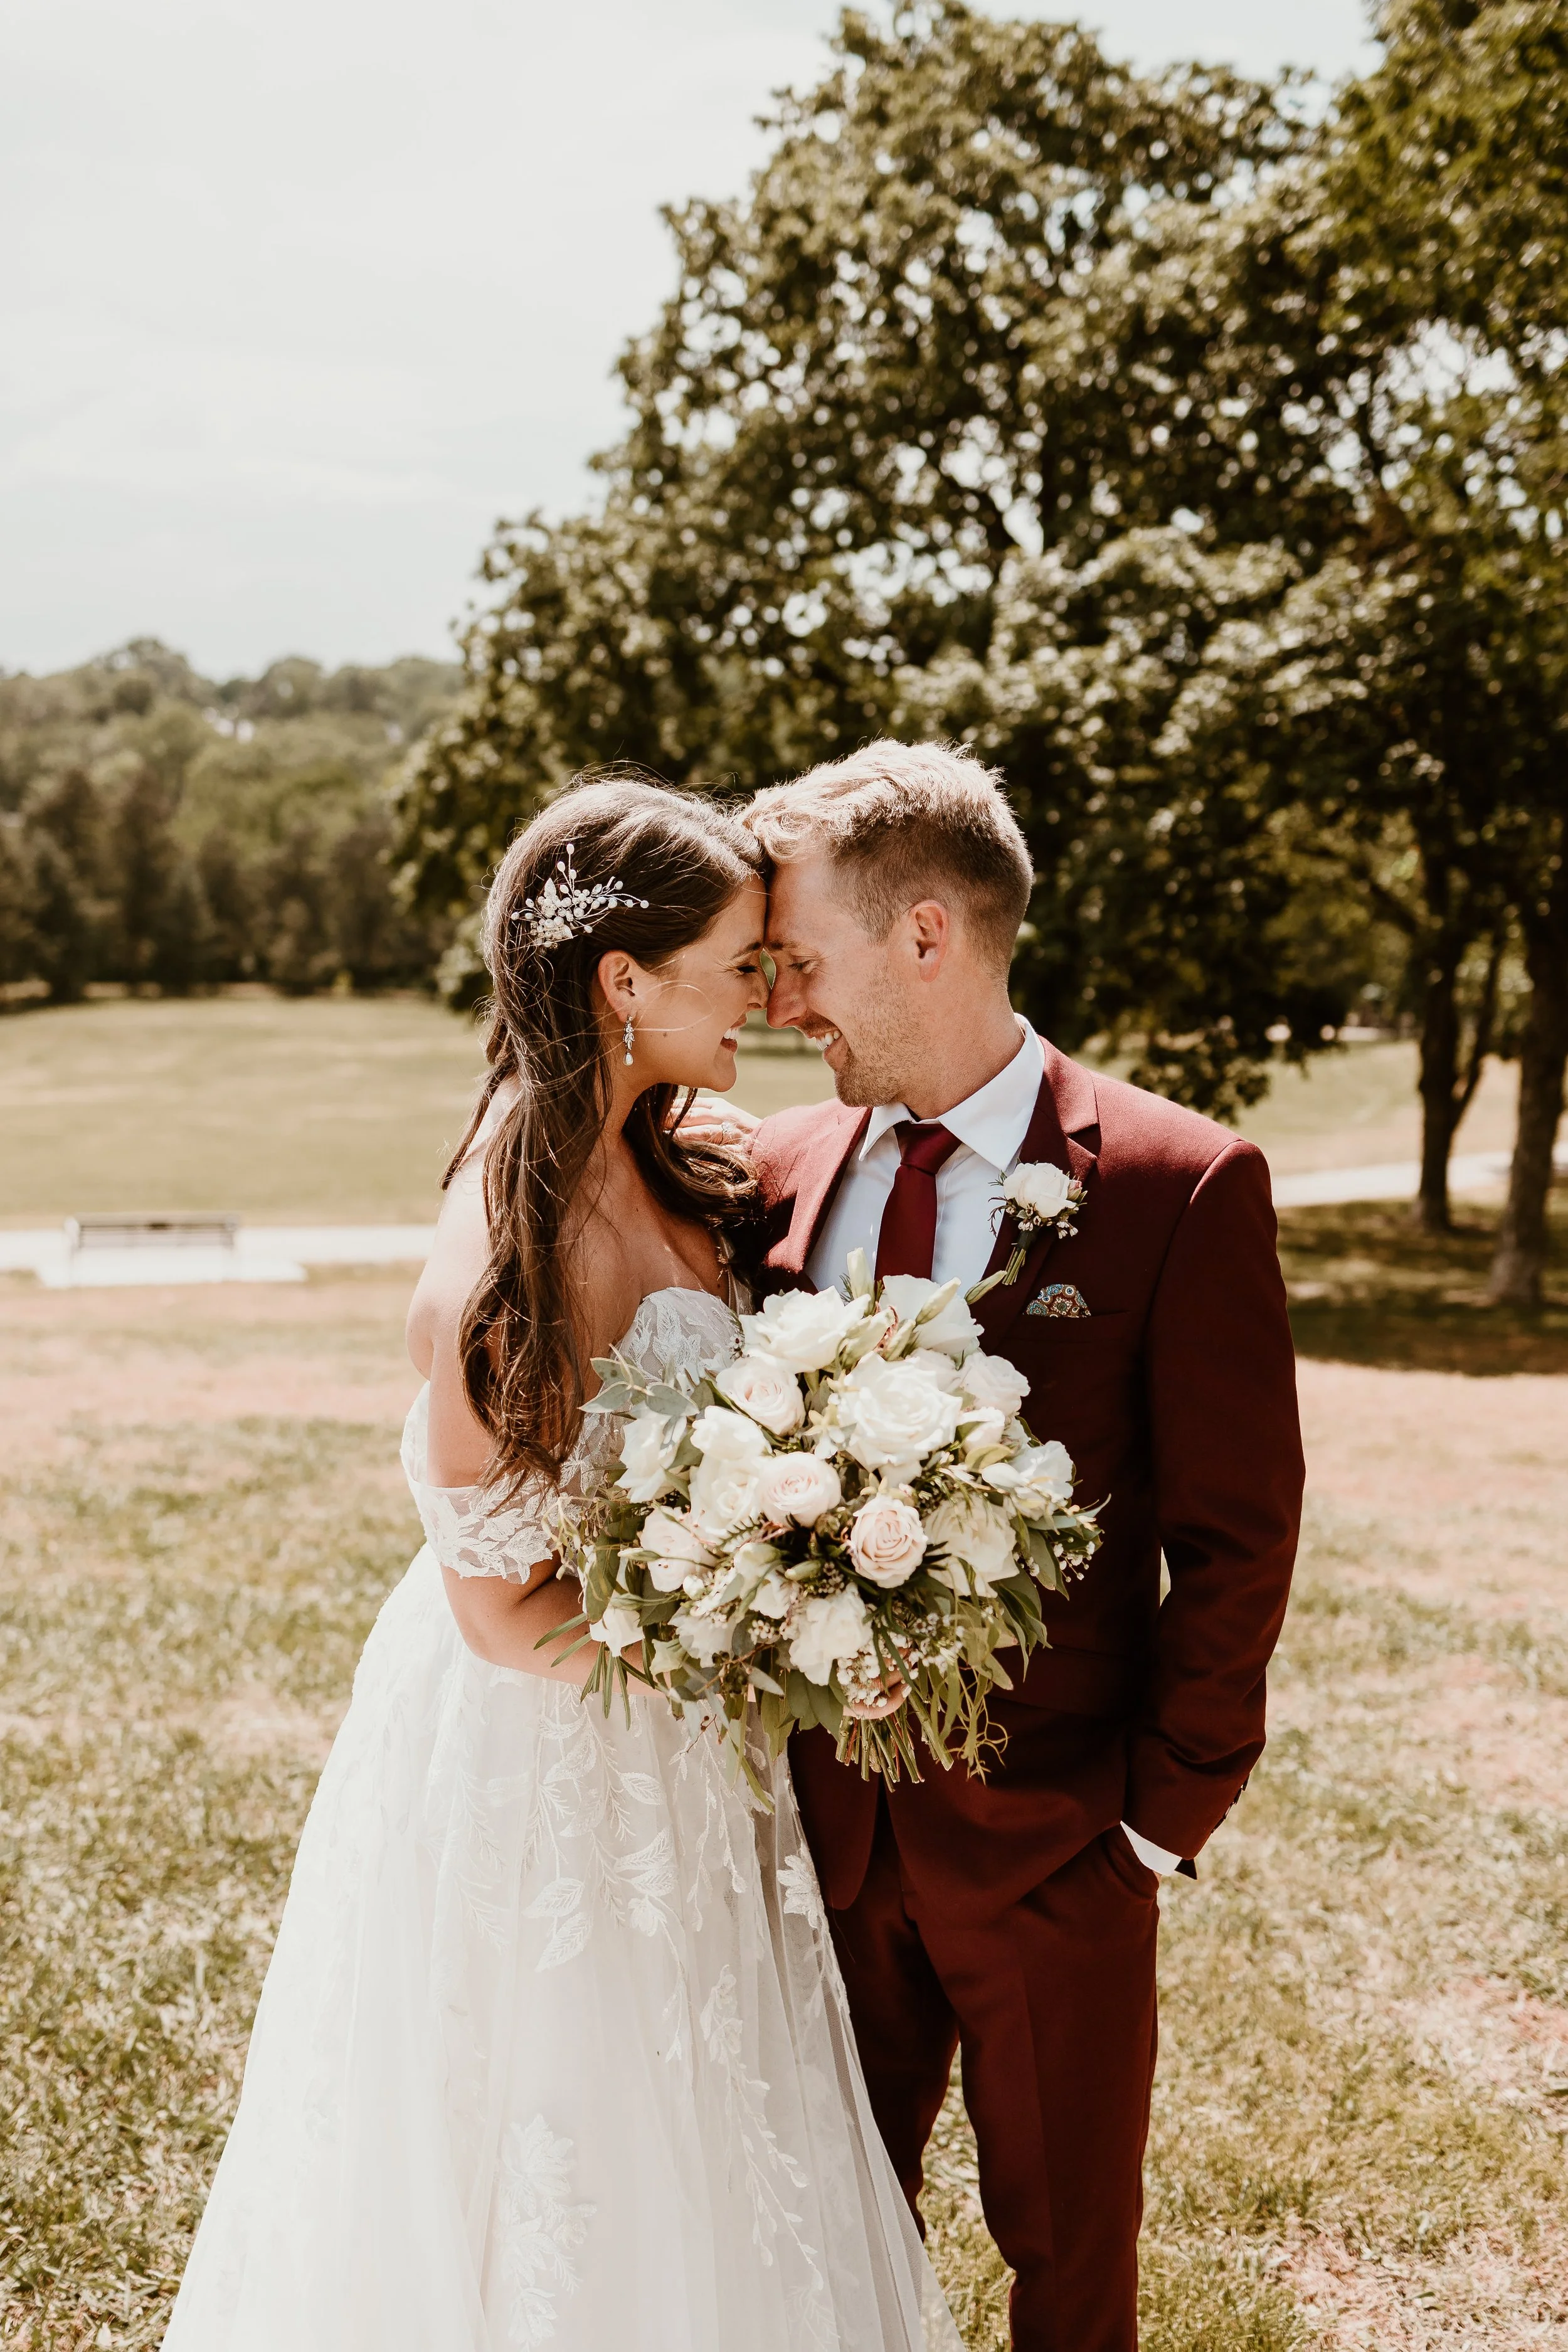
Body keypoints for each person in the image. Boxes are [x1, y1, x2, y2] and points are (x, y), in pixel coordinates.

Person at [162, 772, 961, 2352]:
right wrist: (746, 1631)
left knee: (723, 2113)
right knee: (568, 2132)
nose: (772, 994)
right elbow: (493, 1613)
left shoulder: (683, 1151)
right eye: (743, 962)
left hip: (684, 1733)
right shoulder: (497, 1262)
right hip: (548, 1764)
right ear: (623, 982)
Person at [743, 741, 1305, 2352]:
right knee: (822, 2257)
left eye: (804, 958)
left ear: (925, 934)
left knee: (1070, 2271)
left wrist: (1147, 1827)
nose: (784, 1001)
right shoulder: (775, 1172)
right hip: (818, 1850)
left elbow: (1233, 1534)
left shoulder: (1174, 1183)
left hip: (1057, 1845)